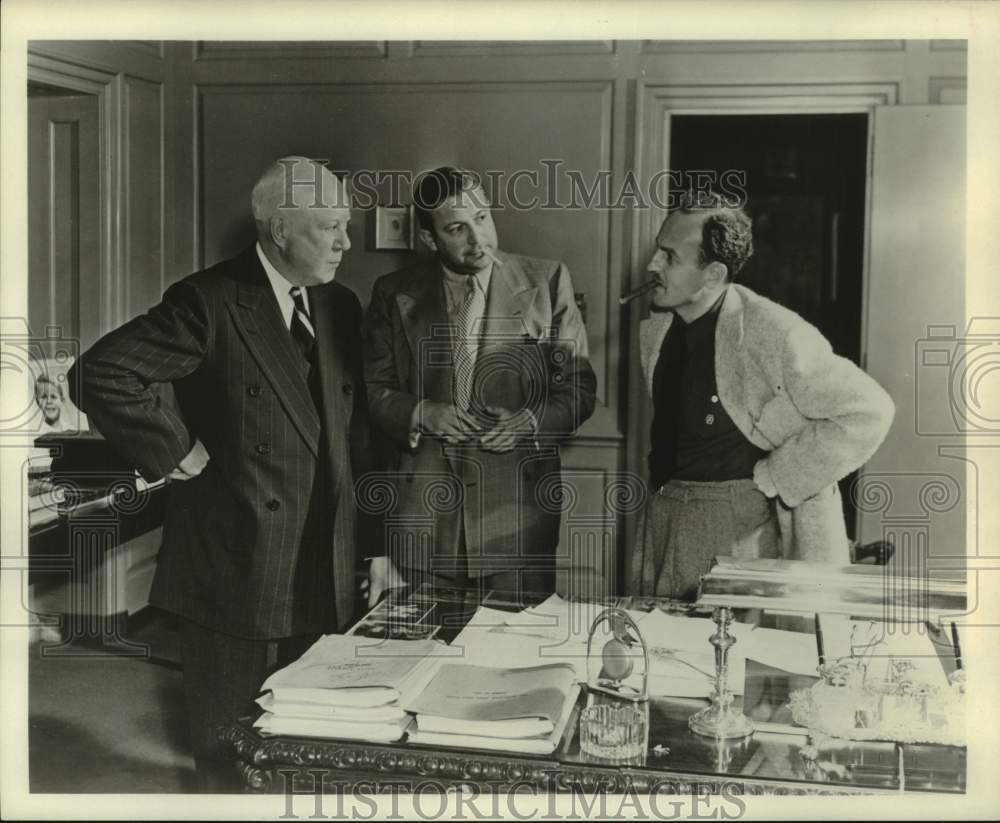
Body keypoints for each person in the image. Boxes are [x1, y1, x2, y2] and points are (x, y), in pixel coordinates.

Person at [69, 156, 384, 791]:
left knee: (304, 736)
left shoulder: (340, 305)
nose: (347, 243)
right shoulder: (208, 300)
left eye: (346, 225)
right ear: (278, 229)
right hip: (230, 555)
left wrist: (374, 548)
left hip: (323, 553)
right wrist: (175, 449)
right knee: (225, 750)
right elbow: (99, 371)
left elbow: (356, 439)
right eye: (330, 227)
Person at [631, 191, 894, 601]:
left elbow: (869, 409)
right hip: (661, 513)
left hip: (735, 529)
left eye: (669, 256)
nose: (652, 265)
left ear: (713, 275)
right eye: (656, 252)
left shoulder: (771, 330)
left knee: (723, 656)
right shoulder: (656, 329)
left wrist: (780, 476)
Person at [363, 166, 596, 598]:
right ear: (431, 239)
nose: (478, 240)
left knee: (514, 658)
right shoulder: (392, 293)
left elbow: (579, 391)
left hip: (517, 521)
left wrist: (528, 420)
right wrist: (421, 412)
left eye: (483, 218)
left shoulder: (548, 281)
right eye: (457, 228)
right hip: (424, 526)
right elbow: (371, 391)